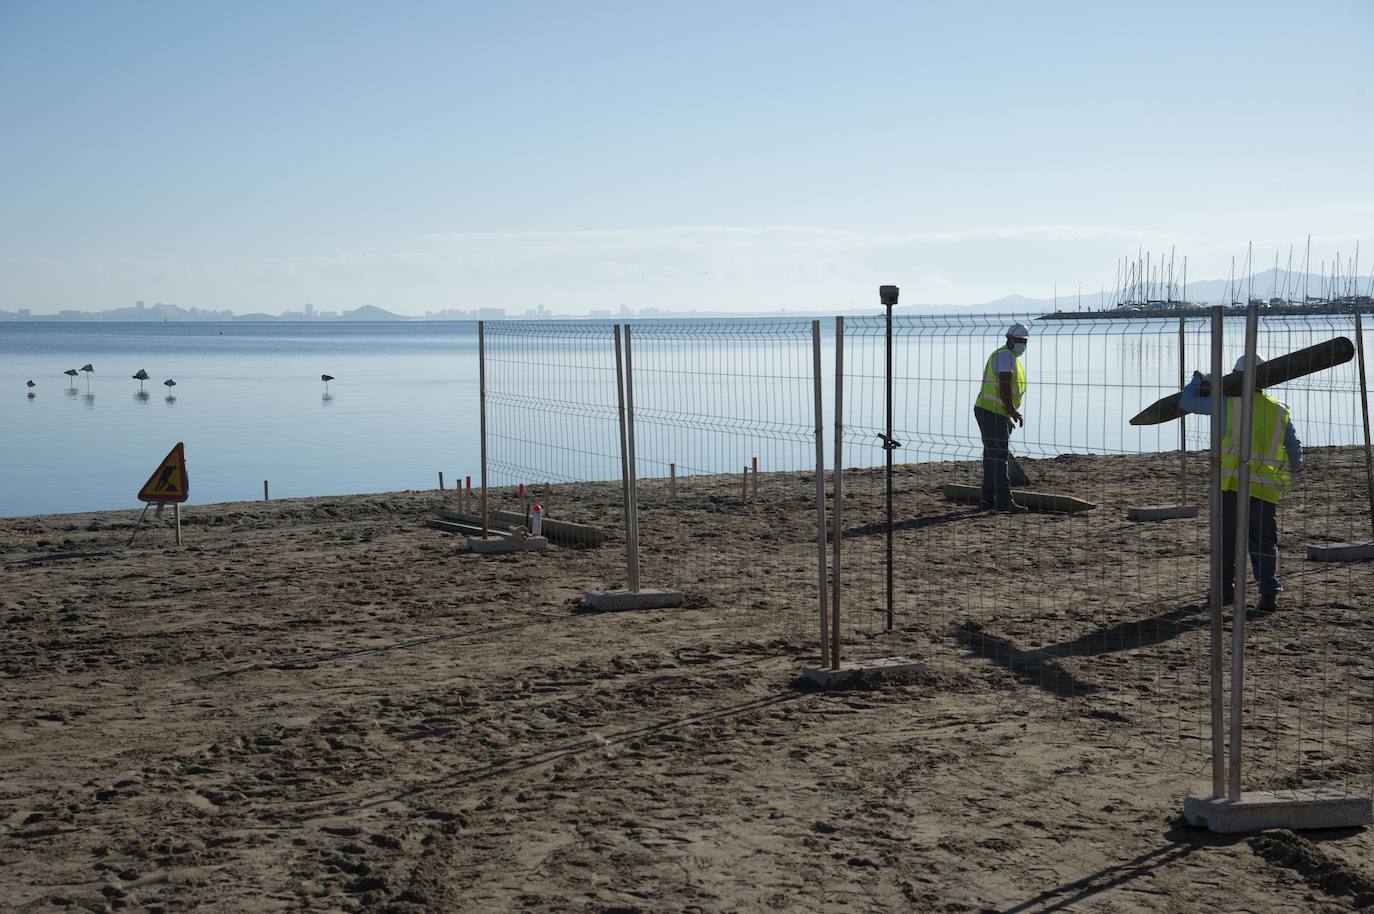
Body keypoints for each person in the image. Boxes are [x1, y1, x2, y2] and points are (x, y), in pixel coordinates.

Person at [1181, 355, 1303, 611]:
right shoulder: (1279, 409)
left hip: (1231, 486)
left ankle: (1224, 592)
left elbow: (1187, 401)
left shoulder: (1227, 404)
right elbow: (1293, 448)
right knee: (1264, 542)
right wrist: (1291, 475)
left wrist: (1198, 378)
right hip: (1265, 488)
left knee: (1226, 542)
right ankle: (1269, 595)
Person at [973, 323, 1030, 512]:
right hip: (992, 412)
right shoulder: (1006, 356)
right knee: (999, 456)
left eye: (1025, 342)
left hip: (991, 411)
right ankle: (1004, 501)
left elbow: (1002, 389)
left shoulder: (1007, 356)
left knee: (991, 456)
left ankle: (987, 499)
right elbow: (1004, 385)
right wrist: (1012, 411)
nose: (1024, 345)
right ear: (1011, 339)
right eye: (1021, 341)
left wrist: (1006, 415)